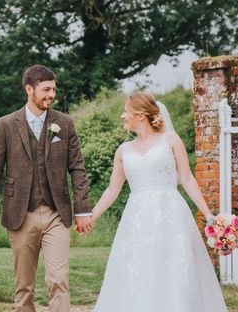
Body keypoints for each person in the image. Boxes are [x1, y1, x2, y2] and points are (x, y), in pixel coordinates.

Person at [88, 92, 227, 311]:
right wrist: (91, 216)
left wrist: (208, 213)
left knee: (173, 270)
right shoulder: (123, 151)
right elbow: (112, 190)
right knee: (139, 269)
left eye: (126, 111)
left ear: (140, 115)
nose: (123, 116)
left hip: (170, 214)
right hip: (137, 219)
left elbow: (187, 179)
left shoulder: (170, 140)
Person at [0, 64, 92, 312]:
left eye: (54, 89)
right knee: (24, 288)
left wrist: (83, 210)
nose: (51, 94)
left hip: (56, 214)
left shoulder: (64, 123)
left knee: (58, 280)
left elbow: (78, 168)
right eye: (46, 89)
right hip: (20, 214)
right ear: (29, 89)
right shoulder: (6, 124)